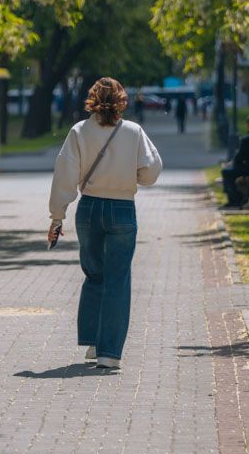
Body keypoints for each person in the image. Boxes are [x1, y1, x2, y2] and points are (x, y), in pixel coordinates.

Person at [48, 77, 163, 370]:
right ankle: (109, 352)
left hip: (88, 208)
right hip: (123, 208)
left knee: (94, 274)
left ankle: (92, 341)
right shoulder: (134, 132)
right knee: (117, 279)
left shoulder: (79, 131)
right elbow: (150, 172)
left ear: (92, 99)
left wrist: (57, 215)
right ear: (122, 100)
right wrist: (129, 174)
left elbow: (64, 174)